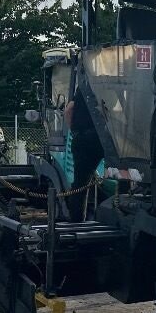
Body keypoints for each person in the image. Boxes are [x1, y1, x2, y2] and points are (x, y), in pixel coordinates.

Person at [63, 89, 104, 221]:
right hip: (105, 137)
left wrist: (74, 131)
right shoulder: (111, 83)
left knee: (80, 183)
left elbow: (69, 109)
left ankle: (76, 221)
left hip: (83, 137)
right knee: (121, 176)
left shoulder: (84, 85)